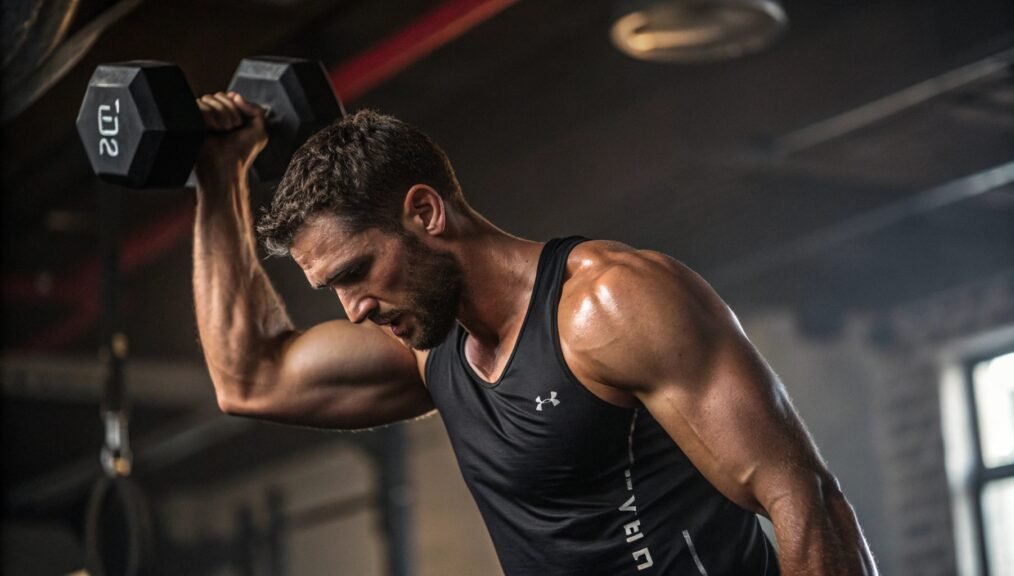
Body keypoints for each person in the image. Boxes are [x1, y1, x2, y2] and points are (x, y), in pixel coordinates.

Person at [192, 91, 878, 575]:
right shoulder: (433, 350)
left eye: (358, 270)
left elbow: (806, 499)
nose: (353, 310)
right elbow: (249, 380)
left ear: (425, 212)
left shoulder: (608, 306)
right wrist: (219, 179)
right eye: (334, 289)